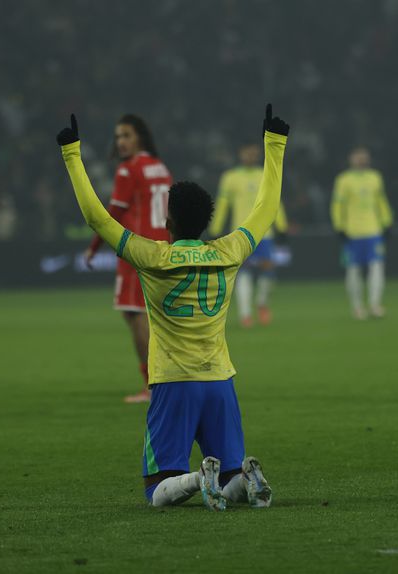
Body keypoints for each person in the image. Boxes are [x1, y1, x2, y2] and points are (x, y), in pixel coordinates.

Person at [58, 104, 289, 510]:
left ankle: (201, 476)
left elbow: (97, 217)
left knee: (157, 488)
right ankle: (245, 480)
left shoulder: (153, 257)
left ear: (169, 222)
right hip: (220, 381)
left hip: (173, 383)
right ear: (205, 221)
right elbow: (265, 210)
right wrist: (275, 144)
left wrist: (72, 155)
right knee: (231, 473)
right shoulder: (229, 251)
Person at [83, 115, 172, 404]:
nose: (120, 142)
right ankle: (166, 378)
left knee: (136, 316)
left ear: (140, 138)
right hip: (164, 248)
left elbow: (114, 214)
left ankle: (152, 386)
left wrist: (94, 247)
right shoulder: (160, 167)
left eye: (126, 136)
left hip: (138, 251)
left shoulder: (128, 170)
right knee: (153, 317)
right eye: (118, 137)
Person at [209, 143, 289, 327]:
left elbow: (275, 201)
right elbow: (222, 204)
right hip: (240, 234)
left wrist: (282, 226)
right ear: (240, 153)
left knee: (268, 273)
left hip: (264, 233)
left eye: (254, 153)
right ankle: (246, 314)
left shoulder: (266, 174)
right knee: (243, 273)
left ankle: (261, 303)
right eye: (247, 152)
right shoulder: (230, 177)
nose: (251, 156)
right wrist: (216, 228)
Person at [331, 147, 393, 319]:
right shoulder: (343, 180)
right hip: (352, 232)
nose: (361, 160)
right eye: (358, 158)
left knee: (377, 268)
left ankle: (375, 305)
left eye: (364, 157)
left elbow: (381, 202)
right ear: (351, 159)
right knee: (353, 270)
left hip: (373, 230)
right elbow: (338, 205)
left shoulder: (375, 177)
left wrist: (387, 222)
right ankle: (357, 307)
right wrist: (339, 227)